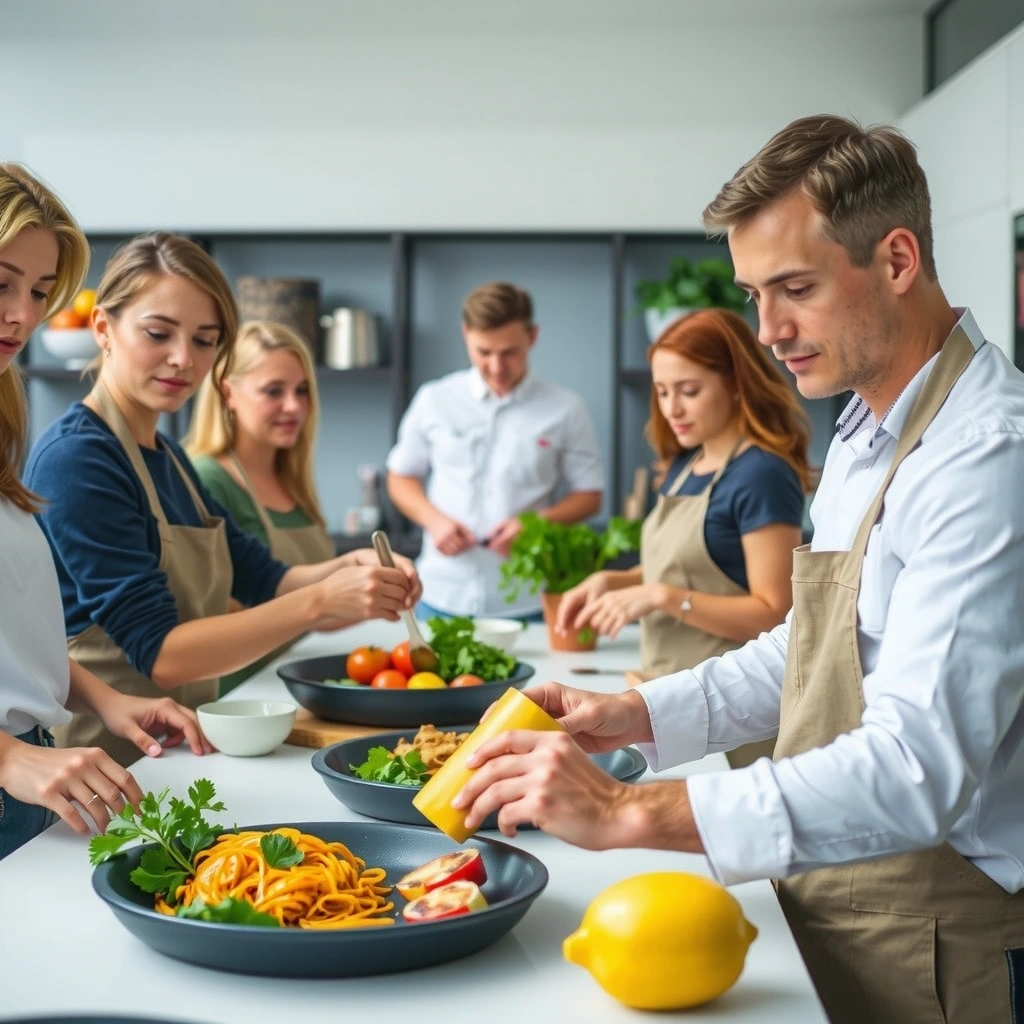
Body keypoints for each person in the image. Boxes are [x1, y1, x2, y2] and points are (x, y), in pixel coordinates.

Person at [452, 115, 1024, 1024]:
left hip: (940, 937)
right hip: (840, 896)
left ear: (898, 260)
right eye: (755, 294)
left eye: (794, 288)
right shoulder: (868, 431)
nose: (768, 330)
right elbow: (809, 646)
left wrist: (629, 813)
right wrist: (636, 716)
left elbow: (919, 769)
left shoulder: (985, 458)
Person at [25, 232, 421, 767]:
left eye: (205, 340)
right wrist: (323, 601)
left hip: (184, 757)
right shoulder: (78, 461)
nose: (183, 359)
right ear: (103, 328)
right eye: (159, 333)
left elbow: (263, 579)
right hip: (109, 769)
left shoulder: (168, 457)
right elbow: (161, 654)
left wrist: (347, 568)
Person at [0, 164, 211, 860]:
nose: (24, 316)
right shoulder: (79, 452)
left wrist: (100, 699)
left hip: (34, 776)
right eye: (3, 283)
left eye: (37, 292)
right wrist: (6, 756)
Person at [554, 308, 810, 767]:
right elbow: (688, 565)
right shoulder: (684, 465)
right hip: (664, 702)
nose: (672, 409)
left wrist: (661, 596)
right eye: (663, 391)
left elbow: (775, 613)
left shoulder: (761, 474)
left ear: (736, 383)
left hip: (728, 723)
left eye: (689, 391)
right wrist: (612, 582)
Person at [386, 280, 604, 619]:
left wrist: (535, 523)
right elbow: (401, 476)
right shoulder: (434, 399)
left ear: (532, 337)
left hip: (527, 601)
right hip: (439, 595)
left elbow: (590, 496)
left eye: (509, 353)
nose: (497, 367)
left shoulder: (566, 409)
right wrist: (434, 520)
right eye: (483, 352)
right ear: (466, 335)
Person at [185, 319, 334, 693]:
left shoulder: (293, 480)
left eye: (302, 391)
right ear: (228, 393)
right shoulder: (207, 480)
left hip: (293, 676)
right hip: (243, 690)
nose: (293, 406)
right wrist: (325, 603)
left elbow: (319, 606)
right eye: (273, 391)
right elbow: (214, 607)